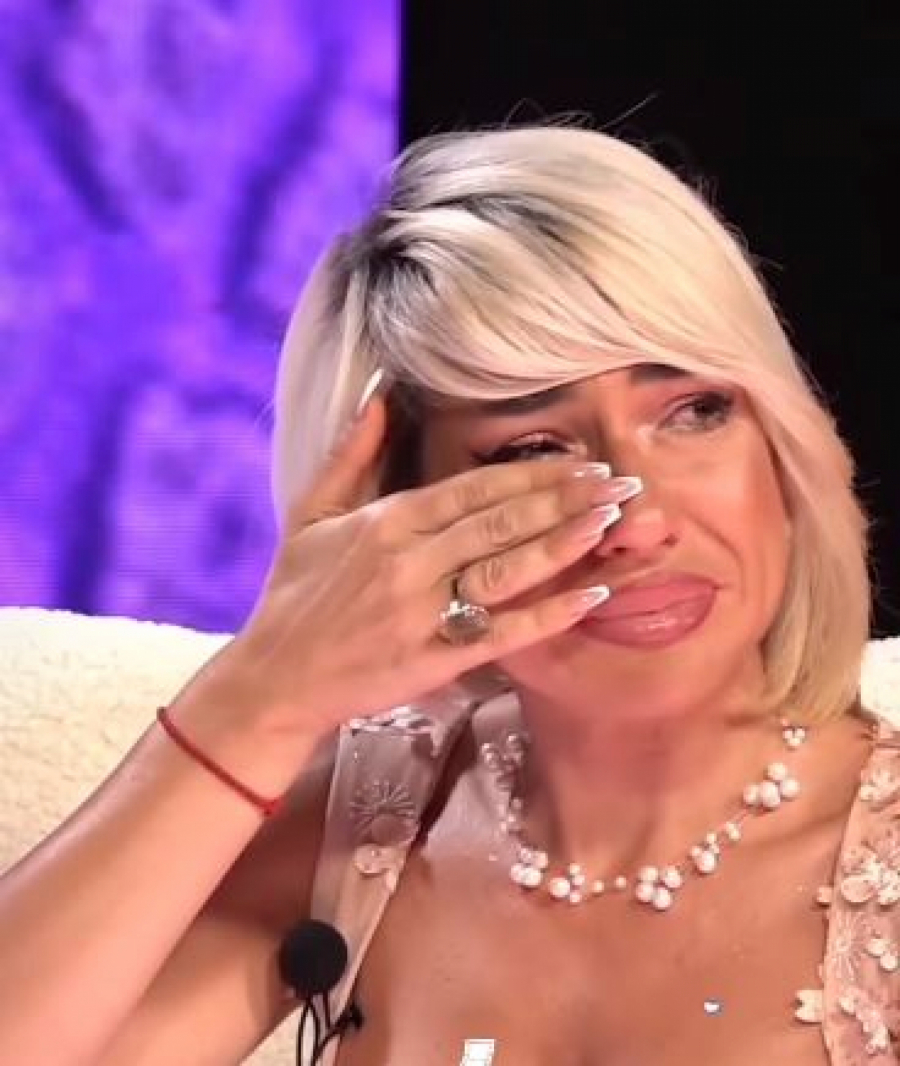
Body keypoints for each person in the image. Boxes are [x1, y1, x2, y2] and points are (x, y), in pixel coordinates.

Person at [0, 123, 896, 1066]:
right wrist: (263, 693)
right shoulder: (367, 826)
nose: (637, 521)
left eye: (694, 411)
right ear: (396, 515)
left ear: (782, 443)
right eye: (532, 450)